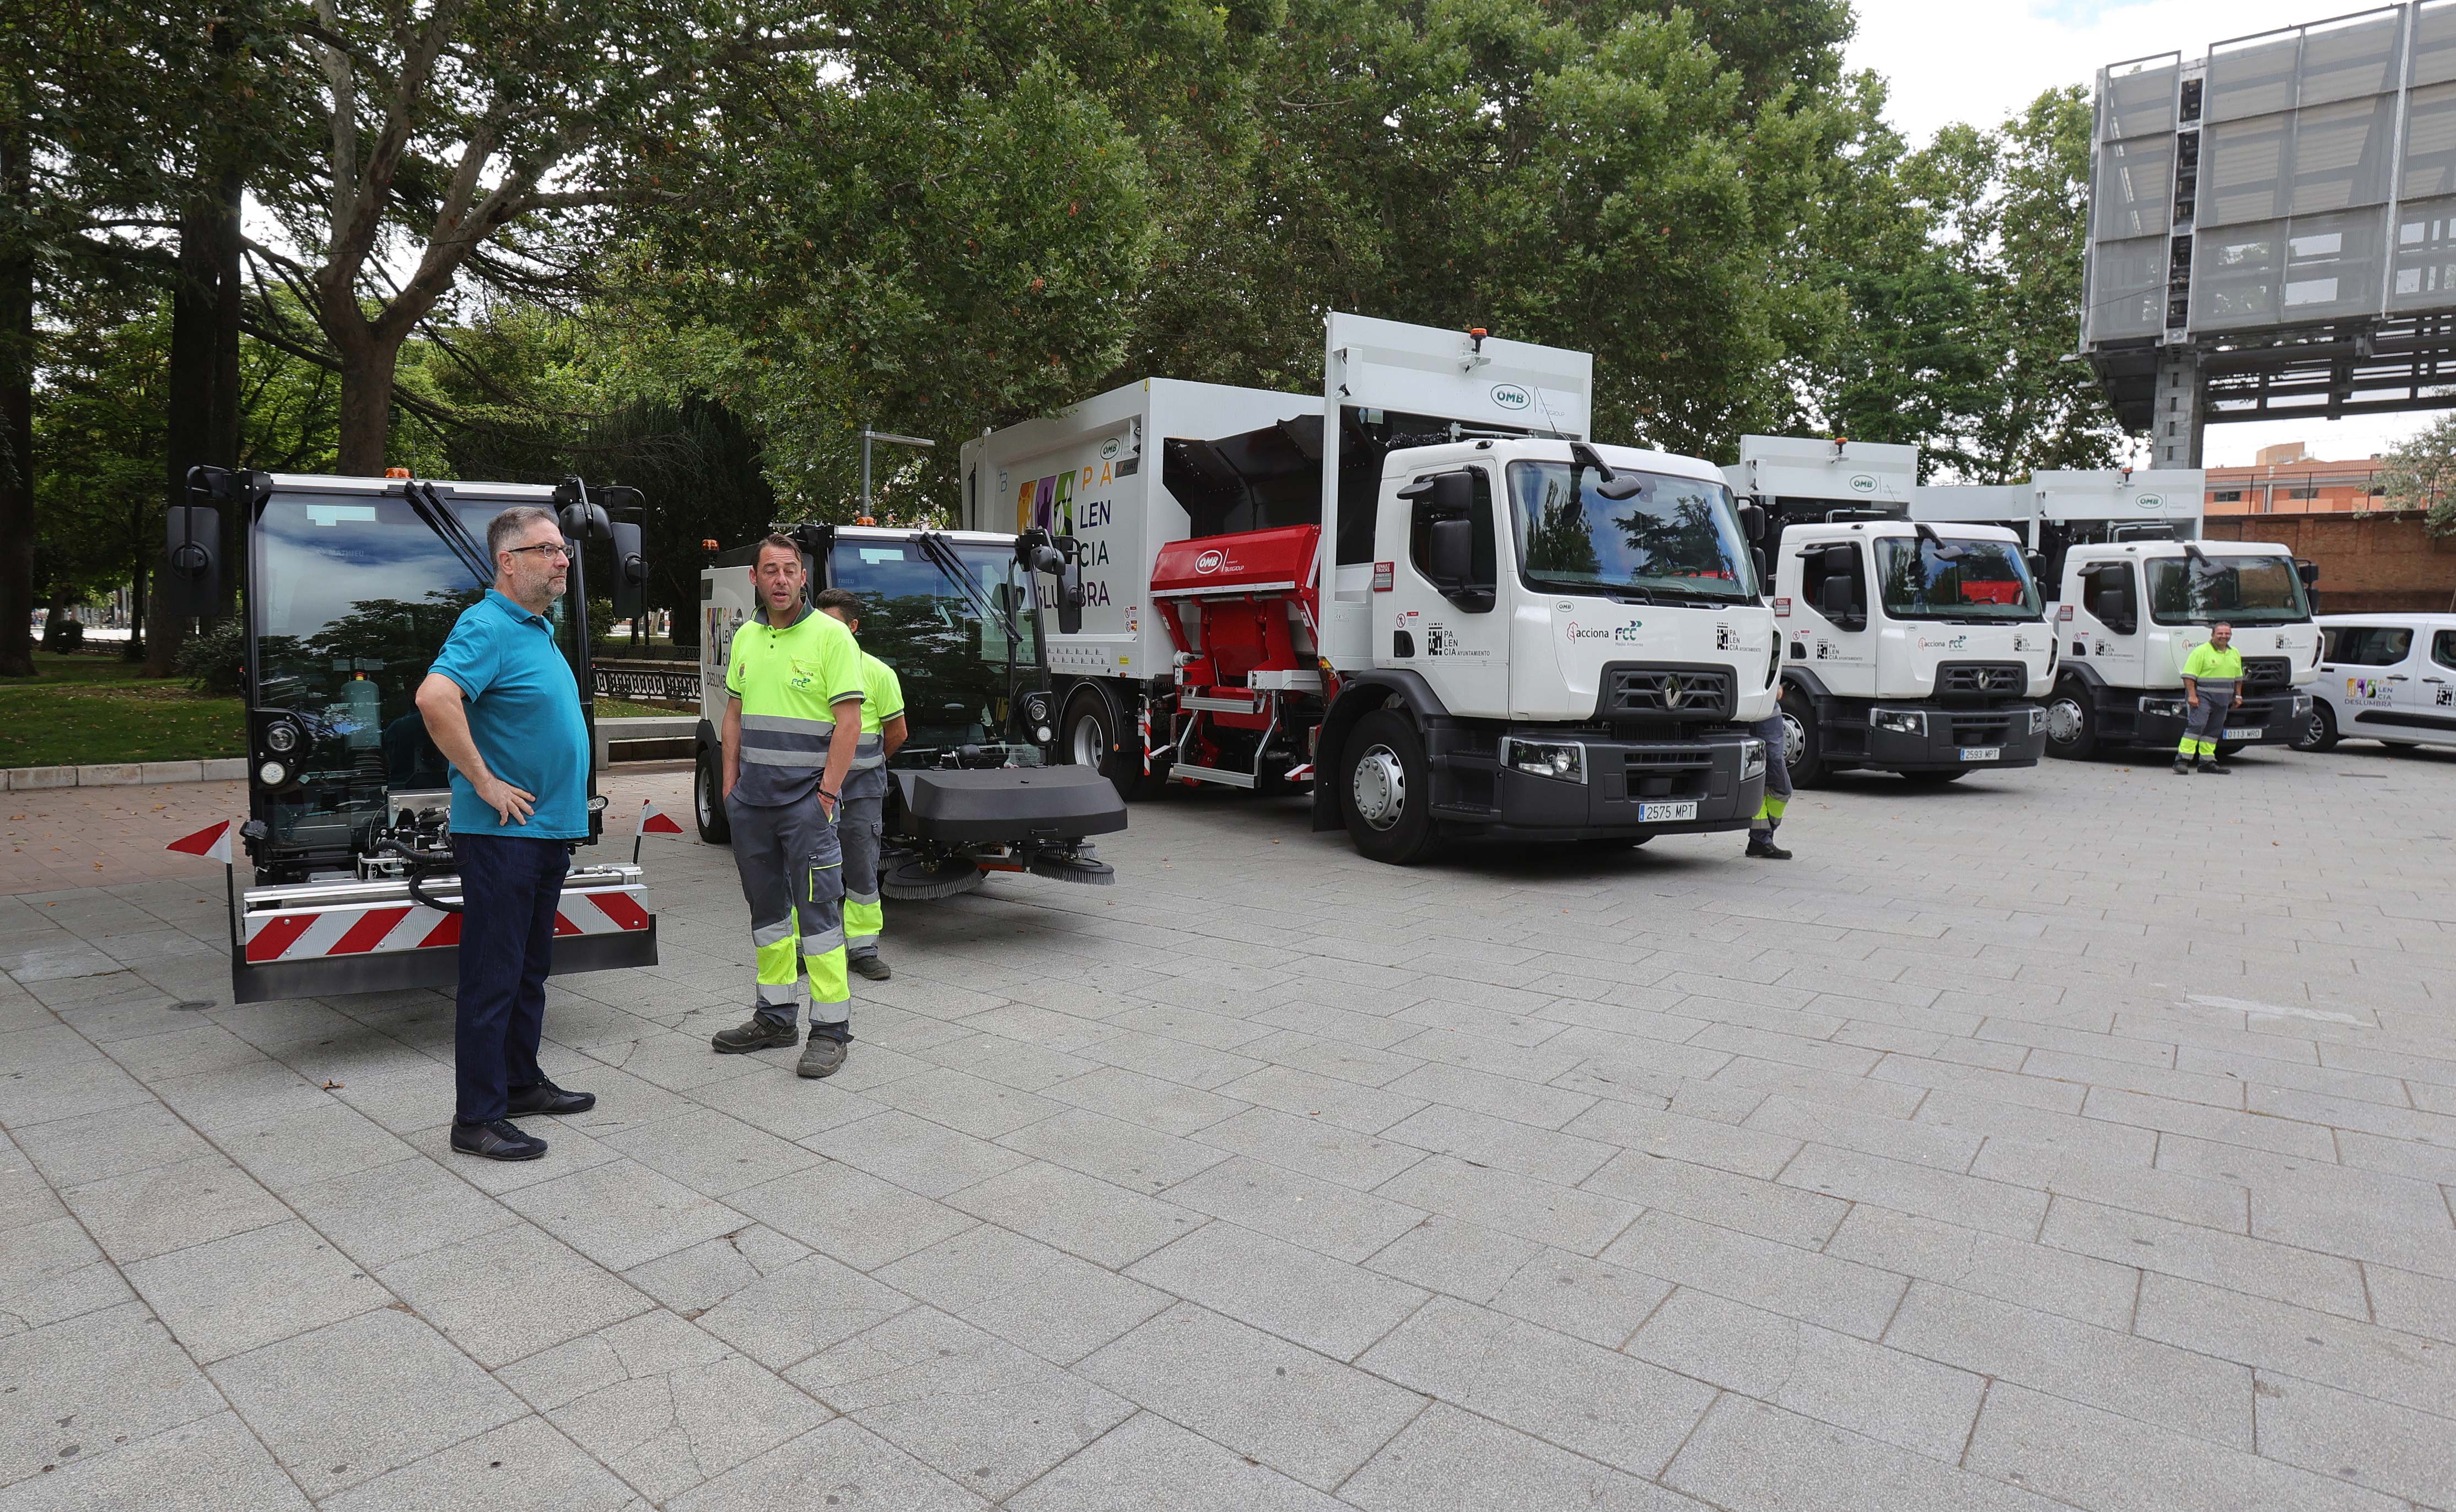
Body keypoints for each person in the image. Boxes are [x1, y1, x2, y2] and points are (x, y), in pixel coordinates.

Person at [415, 506, 599, 1162]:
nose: (562, 560)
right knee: (493, 977)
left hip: (543, 834)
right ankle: (477, 1119)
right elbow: (435, 698)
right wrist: (486, 782)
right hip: (503, 836)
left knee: (527, 972)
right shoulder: (487, 623)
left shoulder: (537, 629)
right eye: (547, 549)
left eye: (563, 550)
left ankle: (520, 1084)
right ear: (508, 561)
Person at [709, 535, 866, 1077]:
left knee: (820, 920)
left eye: (789, 570)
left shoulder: (831, 636)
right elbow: (733, 714)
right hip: (752, 804)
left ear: (804, 577)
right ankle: (775, 1018)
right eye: (769, 570)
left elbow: (850, 723)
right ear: (754, 578)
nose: (779, 579)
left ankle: (831, 1031)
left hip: (806, 805)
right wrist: (730, 786)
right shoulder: (746, 637)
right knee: (769, 917)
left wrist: (824, 795)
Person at [813, 588, 908, 980]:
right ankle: (812, 948)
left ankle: (864, 948)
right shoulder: (810, 669)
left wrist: (866, 765)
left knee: (863, 870)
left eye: (833, 625)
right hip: (816, 784)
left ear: (853, 628)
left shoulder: (878, 674)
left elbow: (897, 732)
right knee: (811, 867)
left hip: (862, 789)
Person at [2175, 620, 2244, 775]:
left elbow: (2238, 678)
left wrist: (2238, 695)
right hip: (2203, 697)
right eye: (2220, 633)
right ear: (2212, 635)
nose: (2224, 636)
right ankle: (2182, 760)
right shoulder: (2201, 651)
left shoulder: (2234, 653)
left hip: (2223, 700)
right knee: (2197, 726)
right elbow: (2188, 676)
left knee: (2214, 730)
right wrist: (2192, 696)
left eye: (2227, 634)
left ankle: (2207, 762)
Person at [1745, 709, 1792, 859]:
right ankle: (1760, 839)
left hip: (1770, 715)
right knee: (1777, 788)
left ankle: (1761, 839)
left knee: (1778, 790)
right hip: (1761, 714)